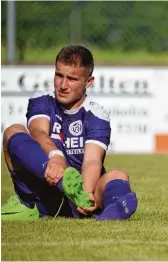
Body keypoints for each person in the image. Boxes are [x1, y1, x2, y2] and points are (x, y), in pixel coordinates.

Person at [1, 45, 138, 221]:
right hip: (43, 192)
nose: (63, 85)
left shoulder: (96, 115)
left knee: (119, 176)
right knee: (12, 131)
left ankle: (109, 212)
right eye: (59, 75)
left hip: (77, 195)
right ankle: (28, 205)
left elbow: (92, 161)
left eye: (72, 79)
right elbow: (38, 131)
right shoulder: (42, 99)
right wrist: (56, 157)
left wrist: (85, 194)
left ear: (88, 82)